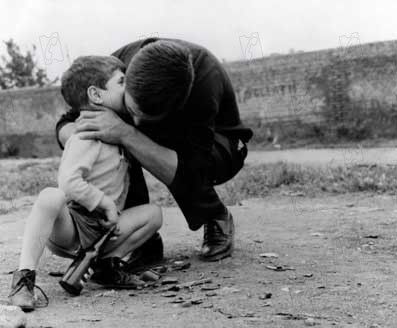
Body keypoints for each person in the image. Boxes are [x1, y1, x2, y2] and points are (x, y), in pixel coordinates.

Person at [56, 38, 252, 264]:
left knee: (126, 135)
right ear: (126, 78)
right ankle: (143, 239)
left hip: (220, 146)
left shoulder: (203, 82)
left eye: (145, 118)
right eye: (131, 109)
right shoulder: (115, 65)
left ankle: (215, 216)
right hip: (164, 134)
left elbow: (194, 170)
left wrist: (125, 133)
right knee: (111, 135)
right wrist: (89, 140)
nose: (137, 121)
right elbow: (66, 123)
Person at [8, 55, 163, 311]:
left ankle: (105, 267)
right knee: (51, 196)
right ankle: (24, 279)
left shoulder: (117, 129)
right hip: (74, 226)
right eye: (122, 82)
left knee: (153, 214)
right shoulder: (87, 135)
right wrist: (104, 203)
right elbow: (68, 182)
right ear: (96, 94)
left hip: (103, 230)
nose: (129, 88)